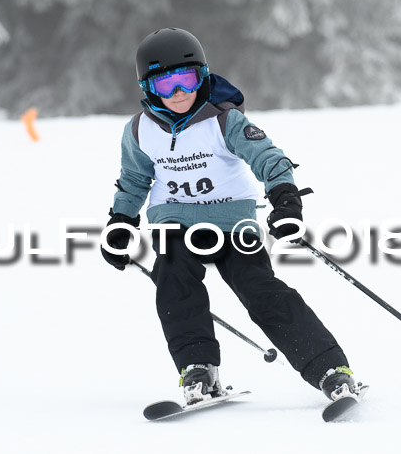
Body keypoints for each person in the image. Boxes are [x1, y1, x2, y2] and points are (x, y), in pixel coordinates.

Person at [101, 27, 357, 404]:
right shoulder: (139, 130)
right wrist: (121, 223)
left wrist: (285, 199)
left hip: (232, 223)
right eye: (165, 84)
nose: (178, 93)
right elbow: (134, 179)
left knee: (262, 294)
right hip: (173, 224)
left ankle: (330, 370)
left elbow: (267, 157)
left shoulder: (225, 120)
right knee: (175, 286)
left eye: (186, 80)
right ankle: (198, 369)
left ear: (202, 76)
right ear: (147, 88)